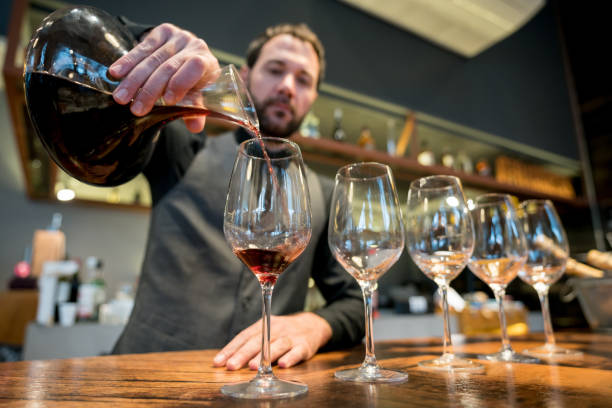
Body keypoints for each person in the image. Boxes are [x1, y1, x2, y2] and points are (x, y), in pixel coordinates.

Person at [109, 19, 365, 370]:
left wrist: (314, 324)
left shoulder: (324, 194)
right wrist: (142, 38)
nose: (288, 87)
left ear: (313, 97)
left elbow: (355, 302)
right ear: (244, 76)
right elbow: (108, 100)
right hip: (144, 377)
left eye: (303, 79)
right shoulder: (185, 147)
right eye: (275, 70)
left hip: (263, 388)